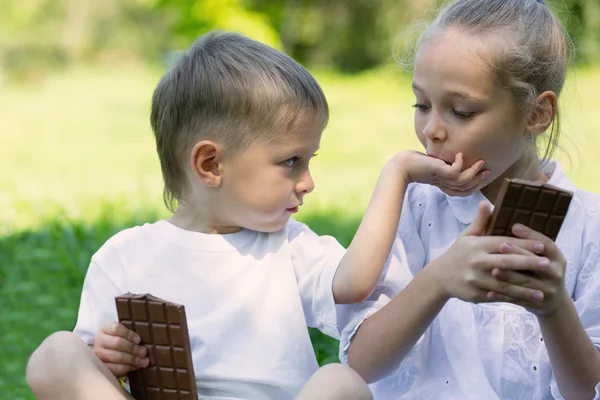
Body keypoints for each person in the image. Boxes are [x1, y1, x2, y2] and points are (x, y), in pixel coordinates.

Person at [26, 31, 487, 400]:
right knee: (54, 355)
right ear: (211, 165)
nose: (307, 181)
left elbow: (355, 282)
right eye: (291, 162)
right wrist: (109, 355)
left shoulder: (289, 245)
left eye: (309, 160)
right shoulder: (123, 258)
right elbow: (92, 368)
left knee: (342, 384)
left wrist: (398, 172)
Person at [342, 1, 600, 399]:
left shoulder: (589, 227)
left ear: (536, 113)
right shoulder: (414, 207)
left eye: (461, 112)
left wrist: (553, 307)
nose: (431, 130)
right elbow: (361, 364)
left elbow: (586, 390)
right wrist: (439, 279)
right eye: (421, 105)